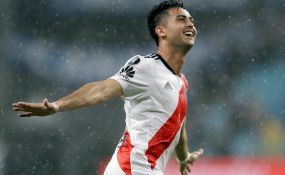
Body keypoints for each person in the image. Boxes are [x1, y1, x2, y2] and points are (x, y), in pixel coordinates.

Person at [12, 0, 203, 174]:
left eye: (191, 20)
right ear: (161, 31)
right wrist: (57, 106)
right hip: (131, 168)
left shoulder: (180, 81)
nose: (190, 24)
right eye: (181, 19)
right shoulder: (145, 66)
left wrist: (184, 157)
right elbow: (101, 89)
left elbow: (178, 122)